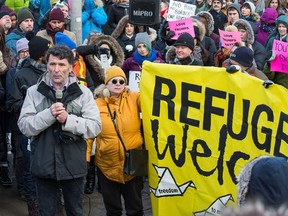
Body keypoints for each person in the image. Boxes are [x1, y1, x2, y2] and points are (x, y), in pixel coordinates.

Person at [17, 44, 102, 216]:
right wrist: (48, 115)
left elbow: (95, 127)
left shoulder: (83, 93)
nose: (56, 69)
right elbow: (25, 126)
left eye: (61, 65)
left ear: (71, 67)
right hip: (43, 164)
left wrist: (68, 120)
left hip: (73, 164)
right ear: (46, 65)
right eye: (52, 64)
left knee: (75, 211)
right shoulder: (34, 92)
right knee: (46, 212)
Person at [6, 31, 52, 215]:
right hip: (30, 131)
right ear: (41, 56)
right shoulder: (21, 75)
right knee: (30, 167)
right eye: (48, 54)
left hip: (50, 127)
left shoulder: (52, 72)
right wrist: (31, 103)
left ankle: (53, 204)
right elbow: (12, 103)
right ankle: (33, 207)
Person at [89, 65, 144, 216]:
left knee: (136, 209)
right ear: (107, 83)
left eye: (121, 81)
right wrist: (86, 158)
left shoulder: (134, 98)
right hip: (107, 166)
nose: (118, 84)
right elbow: (89, 133)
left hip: (132, 165)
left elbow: (150, 101)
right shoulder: (96, 105)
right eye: (114, 81)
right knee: (113, 210)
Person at [5, 37, 29, 198]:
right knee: (19, 156)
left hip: (33, 123)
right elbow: (10, 99)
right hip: (17, 122)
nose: (25, 55)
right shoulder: (13, 72)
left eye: (27, 51)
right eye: (22, 52)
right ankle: (22, 187)